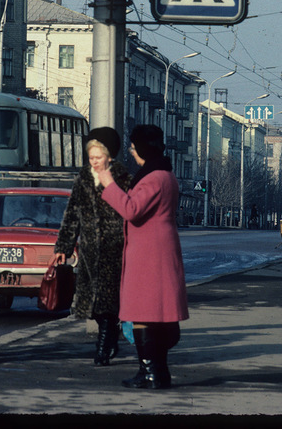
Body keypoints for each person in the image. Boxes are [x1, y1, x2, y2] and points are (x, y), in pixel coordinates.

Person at [97, 124, 188, 390]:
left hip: (149, 255)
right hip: (155, 251)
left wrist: (108, 184)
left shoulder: (153, 178)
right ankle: (157, 371)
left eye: (134, 147)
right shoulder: (164, 175)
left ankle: (150, 373)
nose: (131, 151)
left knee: (143, 312)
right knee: (153, 312)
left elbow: (131, 209)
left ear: (144, 149)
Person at [52, 126, 130, 366]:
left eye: (98, 157)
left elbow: (130, 212)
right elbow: (72, 214)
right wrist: (63, 247)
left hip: (114, 251)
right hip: (89, 252)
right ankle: (111, 337)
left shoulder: (123, 178)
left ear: (109, 156)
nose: (94, 162)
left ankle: (103, 349)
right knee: (92, 306)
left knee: (107, 304)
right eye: (91, 157)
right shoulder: (83, 178)